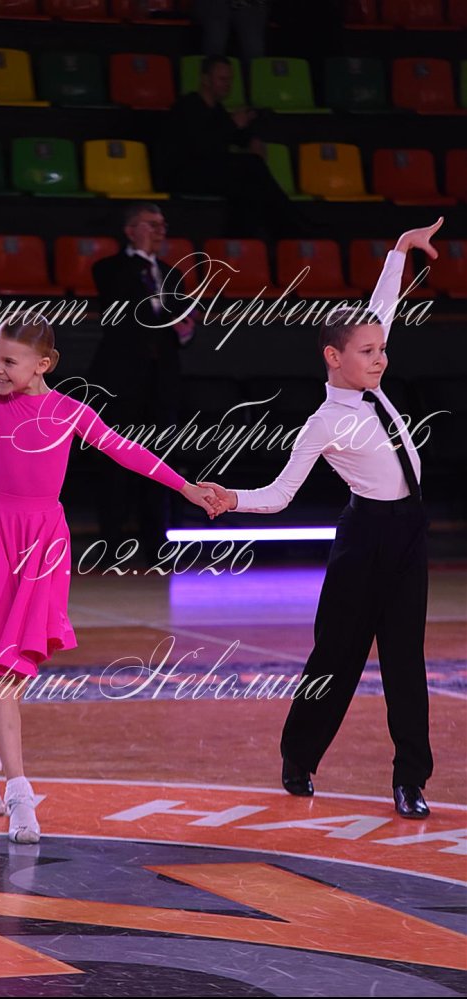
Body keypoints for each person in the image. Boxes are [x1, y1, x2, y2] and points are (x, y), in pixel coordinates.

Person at [0, 317, 219, 842]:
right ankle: (19, 791)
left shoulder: (70, 411)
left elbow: (125, 450)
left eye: (9, 361)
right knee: (0, 665)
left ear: (44, 364)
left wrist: (184, 486)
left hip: (44, 540)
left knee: (15, 663)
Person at [201, 217, 444, 819]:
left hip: (409, 533)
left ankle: (410, 780)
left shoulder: (372, 379)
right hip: (365, 539)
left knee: (406, 662)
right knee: (336, 659)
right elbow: (280, 494)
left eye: (382, 349)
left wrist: (399, 249)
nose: (381, 358)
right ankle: (299, 755)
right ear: (334, 357)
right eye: (368, 351)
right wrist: (233, 498)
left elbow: (381, 307)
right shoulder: (323, 422)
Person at [90, 202, 196, 563]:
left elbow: (181, 323)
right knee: (115, 462)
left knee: (159, 461)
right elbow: (124, 312)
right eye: (151, 224)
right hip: (120, 379)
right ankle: (110, 544)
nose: (160, 230)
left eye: (162, 224)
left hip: (161, 379)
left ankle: (156, 544)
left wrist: (185, 330)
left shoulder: (172, 274)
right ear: (131, 230)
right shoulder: (109, 268)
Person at [163, 55, 308, 237]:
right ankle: (294, 228)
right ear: (205, 79)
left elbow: (235, 136)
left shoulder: (217, 110)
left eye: (230, 80)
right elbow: (199, 147)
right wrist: (232, 124)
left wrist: (251, 139)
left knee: (249, 185)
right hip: (184, 174)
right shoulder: (188, 106)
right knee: (251, 167)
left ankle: (246, 238)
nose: (228, 84)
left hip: (208, 173)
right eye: (222, 79)